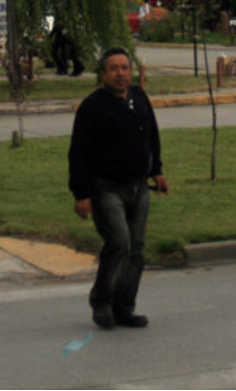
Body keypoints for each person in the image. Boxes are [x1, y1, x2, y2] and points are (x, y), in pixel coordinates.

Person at [68, 48, 167, 331]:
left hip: (139, 186)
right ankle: (101, 302)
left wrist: (157, 171)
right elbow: (78, 153)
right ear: (103, 74)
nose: (121, 73)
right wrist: (81, 194)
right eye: (114, 68)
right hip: (106, 188)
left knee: (136, 249)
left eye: (125, 68)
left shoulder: (139, 97)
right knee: (119, 243)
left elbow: (152, 135)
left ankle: (124, 308)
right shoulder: (92, 107)